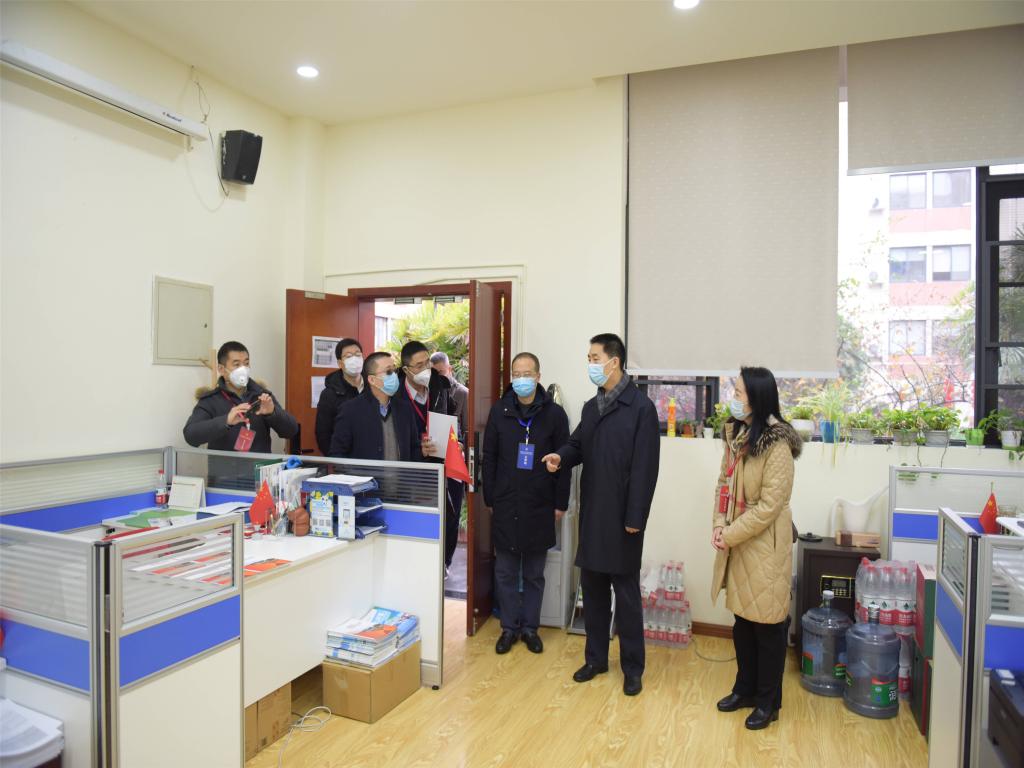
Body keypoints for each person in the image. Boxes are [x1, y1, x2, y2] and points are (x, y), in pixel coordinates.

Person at [541, 333, 660, 697]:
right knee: (592, 591)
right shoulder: (593, 407)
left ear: (614, 361)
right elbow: (577, 444)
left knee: (626, 596)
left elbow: (645, 468)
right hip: (593, 514)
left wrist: (636, 517)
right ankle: (595, 659)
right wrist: (560, 456)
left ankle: (633, 668)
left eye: (594, 357)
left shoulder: (641, 408)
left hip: (624, 519)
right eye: (589, 358)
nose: (590, 364)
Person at [710, 366, 801, 730]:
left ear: (758, 399)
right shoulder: (737, 436)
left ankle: (768, 702)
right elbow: (724, 485)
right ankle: (744, 689)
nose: (734, 397)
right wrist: (719, 525)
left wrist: (729, 533)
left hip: (765, 546)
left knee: (767, 627)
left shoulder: (777, 444)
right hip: (739, 540)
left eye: (739, 392)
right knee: (743, 623)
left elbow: (768, 507)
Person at [482, 352, 570, 655]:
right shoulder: (500, 411)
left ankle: (530, 628)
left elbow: (565, 462)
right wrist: (490, 497)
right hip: (506, 503)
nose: (521, 379)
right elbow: (489, 457)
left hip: (540, 503)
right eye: (516, 374)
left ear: (538, 376)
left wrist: (560, 503)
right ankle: (509, 628)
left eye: (527, 374)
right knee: (505, 572)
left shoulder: (554, 415)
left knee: (534, 573)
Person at [396, 340, 463, 575]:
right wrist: (418, 448)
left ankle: (444, 563)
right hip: (412, 471)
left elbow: (451, 416)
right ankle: (419, 568)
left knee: (449, 515)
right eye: (419, 365)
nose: (426, 368)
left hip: (443, 462)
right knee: (419, 521)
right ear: (406, 370)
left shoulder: (440, 385)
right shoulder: (395, 395)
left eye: (427, 362)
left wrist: (456, 440)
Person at [184, 341, 297, 453]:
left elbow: (291, 431)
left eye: (246, 363)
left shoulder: (261, 396)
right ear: (221, 369)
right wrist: (226, 421)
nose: (243, 369)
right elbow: (190, 436)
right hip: (224, 465)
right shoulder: (210, 400)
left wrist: (272, 413)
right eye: (236, 364)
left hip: (260, 464)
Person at [329, 352, 426, 461]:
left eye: (395, 370)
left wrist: (423, 451)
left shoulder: (405, 409)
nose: (394, 375)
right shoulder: (350, 410)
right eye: (389, 372)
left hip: (401, 473)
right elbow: (337, 453)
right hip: (364, 473)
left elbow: (413, 449)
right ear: (372, 380)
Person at [315, 338, 364, 455]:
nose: (354, 359)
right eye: (348, 356)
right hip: (343, 460)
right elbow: (323, 435)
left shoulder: (373, 387)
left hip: (371, 458)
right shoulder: (329, 394)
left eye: (358, 355)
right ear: (340, 363)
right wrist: (336, 460)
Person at [431, 351, 468, 437]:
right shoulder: (427, 391)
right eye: (433, 373)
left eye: (440, 372)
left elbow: (467, 429)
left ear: (450, 369)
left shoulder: (463, 393)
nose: (437, 377)